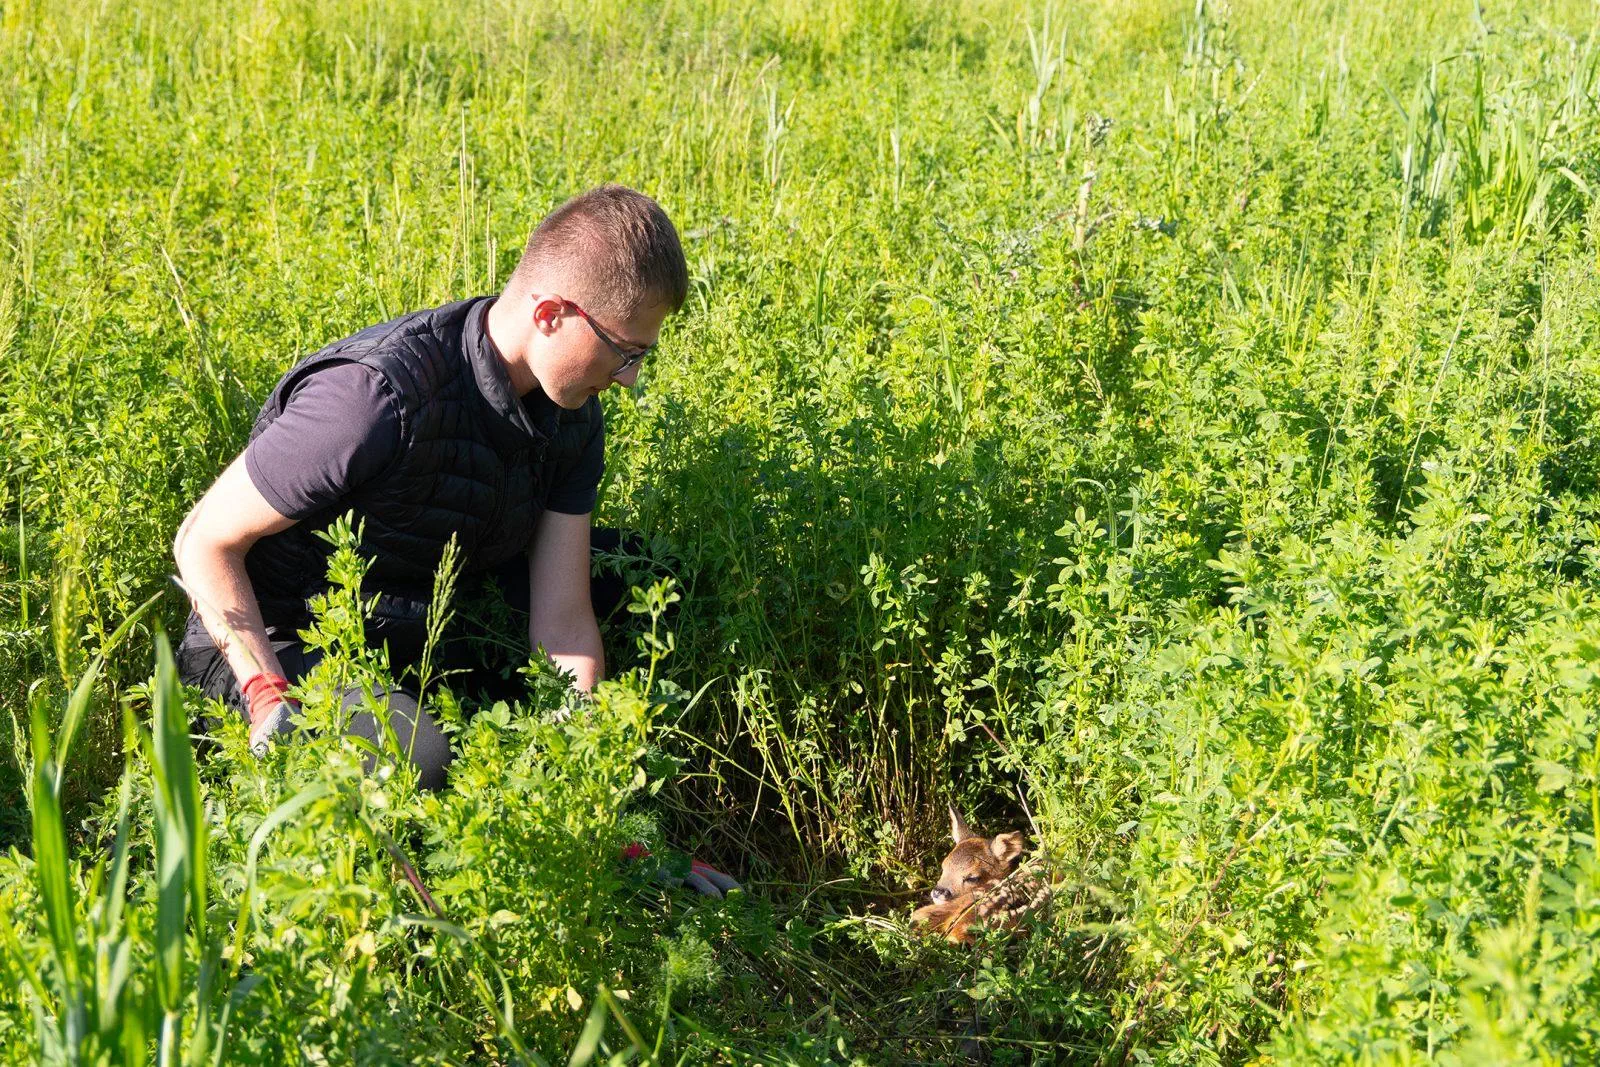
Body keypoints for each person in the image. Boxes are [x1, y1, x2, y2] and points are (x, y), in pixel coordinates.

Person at [175, 183, 676, 786]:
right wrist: (265, 695)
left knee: (647, 578)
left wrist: (587, 788)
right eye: (624, 352)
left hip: (417, 627)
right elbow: (203, 540)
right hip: (280, 643)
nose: (629, 379)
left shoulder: (571, 417)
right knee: (425, 758)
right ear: (550, 315)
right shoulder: (373, 399)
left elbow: (564, 621)